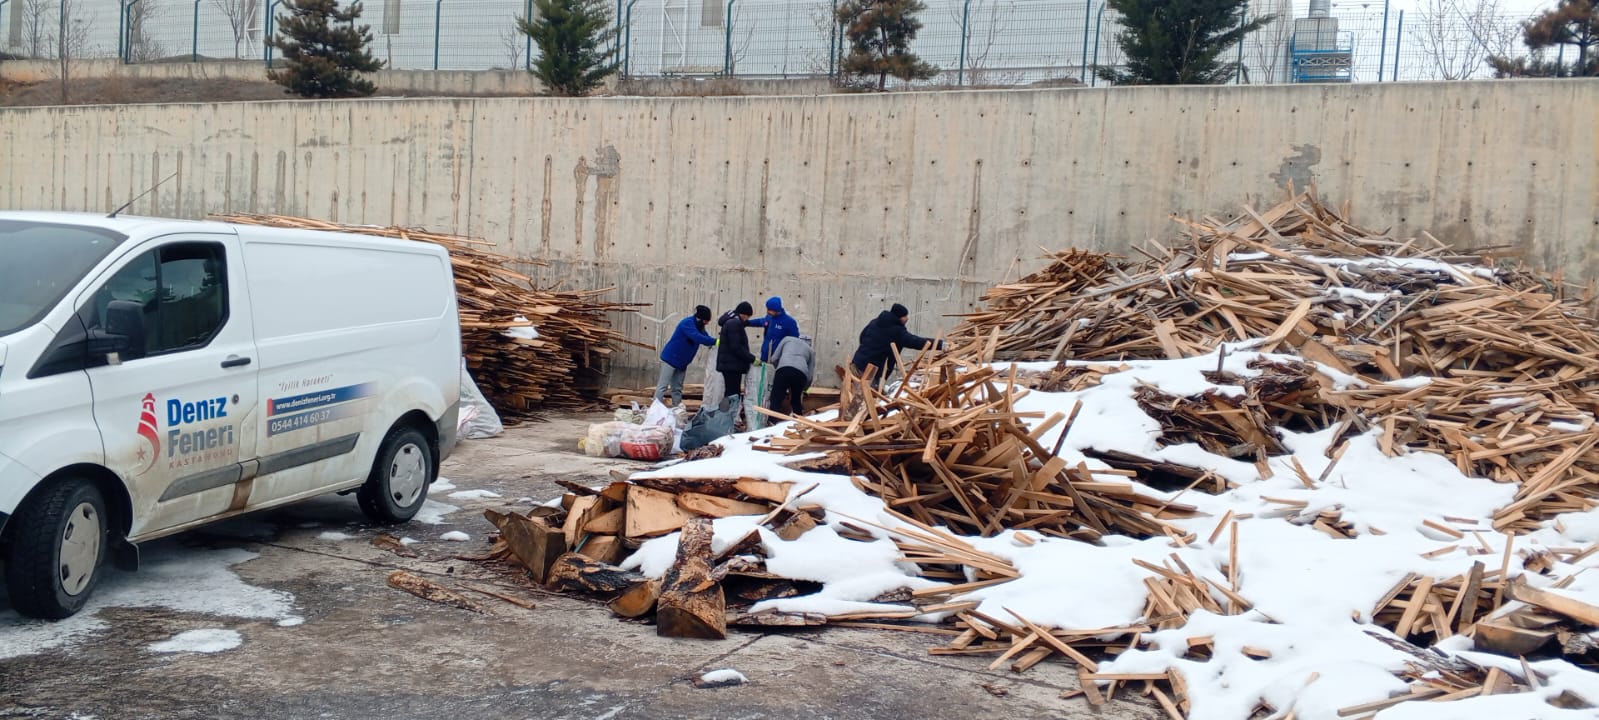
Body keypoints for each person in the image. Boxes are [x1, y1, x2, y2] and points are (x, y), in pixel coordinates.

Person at [850, 303, 942, 386]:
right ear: (899, 317)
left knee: (856, 396)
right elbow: (916, 342)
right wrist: (941, 344)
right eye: (905, 316)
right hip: (870, 372)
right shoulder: (897, 331)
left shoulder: (875, 322)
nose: (907, 318)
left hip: (857, 364)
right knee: (866, 400)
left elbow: (862, 336)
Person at [653, 305, 716, 406]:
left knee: (677, 389)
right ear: (699, 318)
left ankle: (676, 411)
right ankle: (654, 410)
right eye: (706, 321)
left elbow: (706, 337)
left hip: (682, 362)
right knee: (662, 387)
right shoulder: (687, 323)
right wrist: (715, 341)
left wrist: (714, 342)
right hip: (670, 358)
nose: (707, 323)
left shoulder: (700, 327)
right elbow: (698, 337)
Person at [715, 301, 757, 401]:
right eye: (747, 316)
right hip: (731, 365)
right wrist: (751, 358)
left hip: (730, 364)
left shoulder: (731, 322)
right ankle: (727, 414)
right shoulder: (734, 323)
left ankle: (726, 414)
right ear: (743, 313)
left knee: (730, 392)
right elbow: (736, 347)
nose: (747, 319)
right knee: (733, 394)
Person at [767, 334, 815, 416]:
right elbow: (810, 376)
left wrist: (779, 369)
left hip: (783, 369)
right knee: (796, 401)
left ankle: (772, 421)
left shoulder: (787, 339)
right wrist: (804, 388)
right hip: (801, 373)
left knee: (776, 398)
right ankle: (798, 422)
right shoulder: (811, 351)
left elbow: (774, 358)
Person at [748, 296, 800, 363]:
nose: (767, 312)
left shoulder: (789, 322)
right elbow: (761, 321)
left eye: (769, 310)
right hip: (765, 356)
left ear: (776, 309)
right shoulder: (770, 317)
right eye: (767, 309)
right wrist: (747, 323)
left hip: (779, 360)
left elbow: (795, 341)